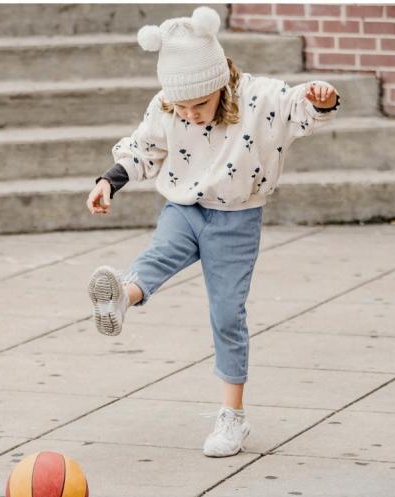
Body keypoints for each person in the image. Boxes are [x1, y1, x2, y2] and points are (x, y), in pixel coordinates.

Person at [85, 6, 341, 457]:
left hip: (238, 219)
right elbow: (143, 147)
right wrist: (108, 180)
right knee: (158, 255)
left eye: (199, 105)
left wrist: (321, 97)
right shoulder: (167, 105)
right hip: (184, 206)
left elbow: (299, 105)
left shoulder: (258, 98)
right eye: (181, 107)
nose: (191, 114)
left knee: (227, 315)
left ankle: (232, 419)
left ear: (220, 84)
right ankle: (121, 300)